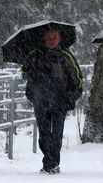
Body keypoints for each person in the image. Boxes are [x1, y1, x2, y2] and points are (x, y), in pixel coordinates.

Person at [23, 26, 83, 175]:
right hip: (40, 101)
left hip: (60, 101)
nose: (51, 41)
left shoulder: (66, 56)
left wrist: (71, 96)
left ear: (60, 38)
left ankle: (52, 163)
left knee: (56, 134)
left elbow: (77, 78)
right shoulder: (35, 54)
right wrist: (33, 76)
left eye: (54, 37)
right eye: (49, 37)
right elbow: (25, 72)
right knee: (44, 134)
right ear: (44, 38)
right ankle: (48, 161)